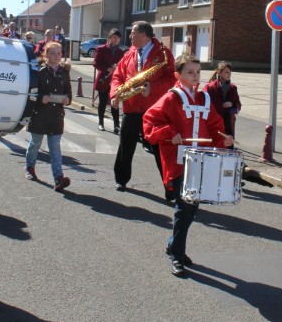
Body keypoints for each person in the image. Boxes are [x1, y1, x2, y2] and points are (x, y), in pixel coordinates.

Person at [143, 53, 233, 277]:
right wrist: (169, 133)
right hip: (178, 162)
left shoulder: (204, 99)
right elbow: (150, 121)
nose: (195, 76)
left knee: (192, 208)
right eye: (190, 72)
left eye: (198, 72)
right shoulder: (171, 99)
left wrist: (223, 139)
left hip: (200, 161)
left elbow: (214, 127)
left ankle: (173, 244)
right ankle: (177, 255)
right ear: (178, 75)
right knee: (184, 208)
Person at [110, 21, 175, 190]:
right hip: (131, 107)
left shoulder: (163, 53)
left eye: (133, 33)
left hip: (153, 109)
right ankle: (121, 179)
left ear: (144, 35)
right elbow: (117, 76)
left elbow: (172, 78)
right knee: (126, 145)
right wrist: (115, 94)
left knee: (159, 149)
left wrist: (153, 88)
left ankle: (170, 187)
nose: (130, 36)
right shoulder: (130, 53)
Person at [24, 41, 73, 191]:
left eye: (59, 53)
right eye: (52, 53)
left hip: (56, 116)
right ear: (46, 55)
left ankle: (58, 178)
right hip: (40, 114)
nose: (56, 56)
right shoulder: (40, 72)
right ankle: (30, 167)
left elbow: (69, 93)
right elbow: (31, 92)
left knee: (55, 148)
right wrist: (41, 98)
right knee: (35, 143)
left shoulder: (64, 73)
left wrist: (67, 100)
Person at [93, 29, 124, 134]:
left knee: (115, 103)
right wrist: (107, 68)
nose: (116, 39)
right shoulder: (101, 49)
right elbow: (96, 63)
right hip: (103, 79)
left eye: (118, 38)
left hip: (115, 81)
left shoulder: (120, 52)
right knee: (102, 102)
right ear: (110, 38)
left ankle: (116, 125)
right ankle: (101, 122)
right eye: (114, 37)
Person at [203, 61, 242, 138]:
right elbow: (204, 105)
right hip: (215, 122)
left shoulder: (233, 88)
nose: (229, 74)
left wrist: (232, 105)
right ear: (219, 73)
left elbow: (238, 105)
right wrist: (221, 106)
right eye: (226, 72)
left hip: (229, 123)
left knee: (229, 143)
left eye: (230, 72)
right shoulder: (210, 87)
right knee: (216, 142)